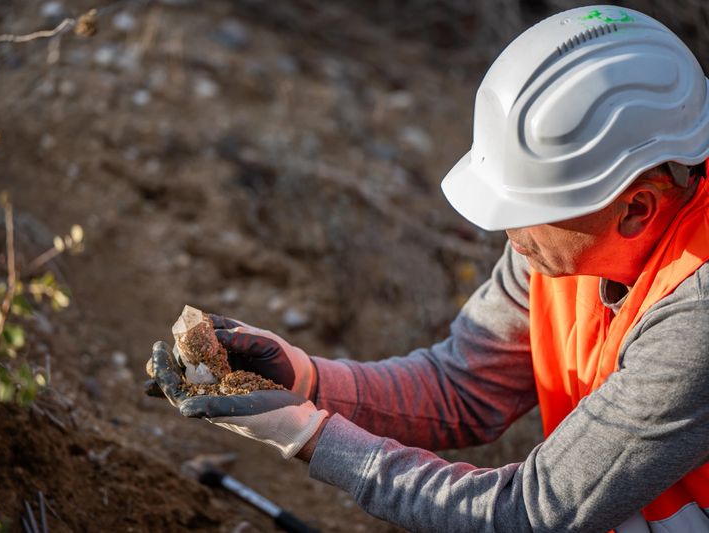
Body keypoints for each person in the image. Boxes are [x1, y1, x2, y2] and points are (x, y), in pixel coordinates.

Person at [147, 5, 709, 532]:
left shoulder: (697, 316)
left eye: (527, 211)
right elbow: (462, 387)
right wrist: (306, 381)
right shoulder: (560, 242)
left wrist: (309, 436)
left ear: (636, 207)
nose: (506, 233)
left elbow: (529, 514)